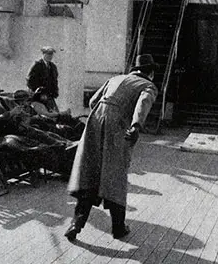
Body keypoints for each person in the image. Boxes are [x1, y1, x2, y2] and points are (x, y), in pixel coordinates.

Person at [65, 54, 159, 242]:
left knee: (90, 173)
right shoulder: (148, 86)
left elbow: (93, 102)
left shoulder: (115, 78)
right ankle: (118, 228)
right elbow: (143, 103)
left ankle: (76, 223)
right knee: (115, 175)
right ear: (151, 72)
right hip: (117, 129)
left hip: (95, 122)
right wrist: (135, 125)